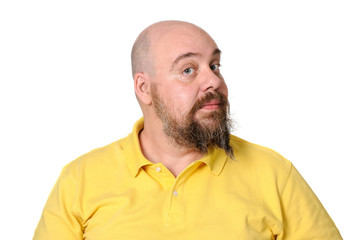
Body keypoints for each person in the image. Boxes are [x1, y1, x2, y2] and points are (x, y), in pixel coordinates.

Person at [33, 20, 342, 239]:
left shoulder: (275, 173)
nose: (214, 81)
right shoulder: (79, 179)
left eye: (215, 65)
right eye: (188, 69)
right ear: (144, 88)